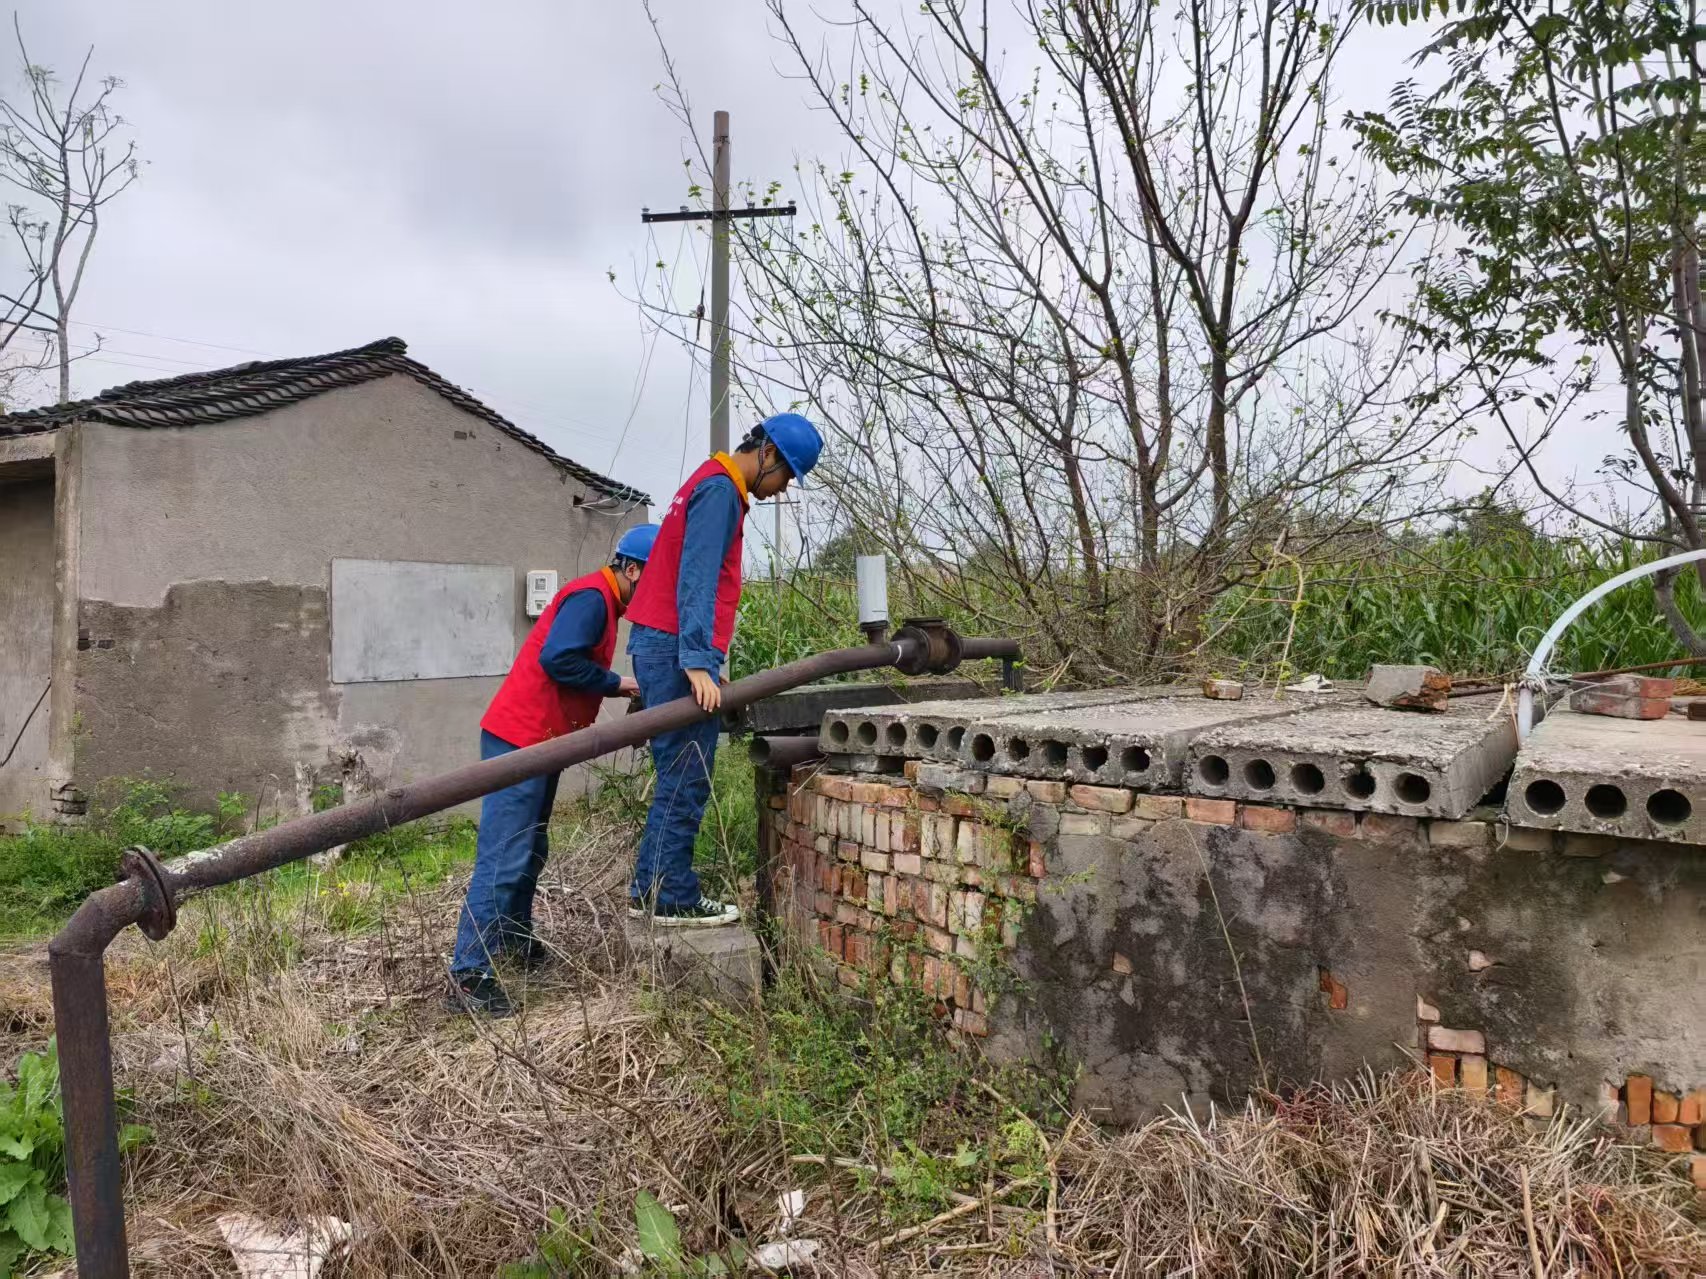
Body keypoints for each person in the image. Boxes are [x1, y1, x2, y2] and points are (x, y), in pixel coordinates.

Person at [448, 523, 660, 1015]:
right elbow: (558, 660)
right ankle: (468, 974)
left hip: (539, 741)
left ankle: (514, 941)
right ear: (631, 569)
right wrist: (620, 683)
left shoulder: (604, 602)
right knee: (504, 856)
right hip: (520, 740)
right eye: (653, 580)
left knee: (530, 848)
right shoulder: (591, 599)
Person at [624, 413, 823, 925]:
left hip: (662, 644)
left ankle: (650, 888)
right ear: (770, 454)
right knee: (688, 772)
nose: (779, 491)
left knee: (676, 772)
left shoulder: (710, 482)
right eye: (785, 478)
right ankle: (670, 896)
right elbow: (697, 577)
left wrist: (708, 662)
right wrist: (694, 661)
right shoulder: (719, 492)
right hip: (672, 646)